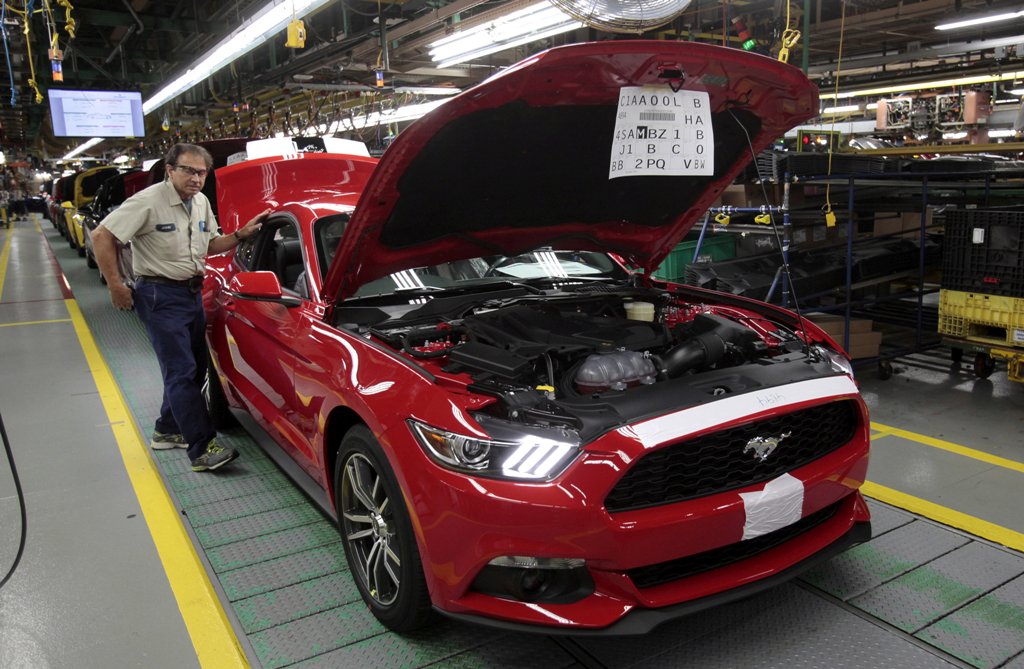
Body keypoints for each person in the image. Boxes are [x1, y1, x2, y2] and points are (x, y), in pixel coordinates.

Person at [92, 143, 270, 472]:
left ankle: (168, 428)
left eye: (201, 172)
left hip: (190, 294)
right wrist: (115, 284)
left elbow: (211, 244)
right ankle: (202, 448)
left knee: (196, 368)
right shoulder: (147, 202)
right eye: (188, 170)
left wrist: (240, 235)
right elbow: (102, 235)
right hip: (159, 295)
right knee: (182, 372)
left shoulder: (200, 202)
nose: (196, 178)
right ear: (170, 170)